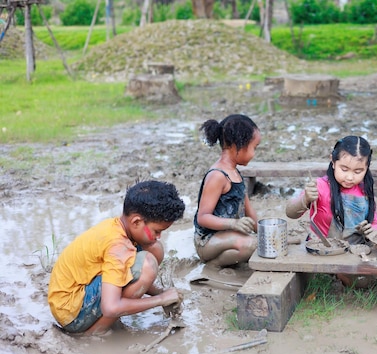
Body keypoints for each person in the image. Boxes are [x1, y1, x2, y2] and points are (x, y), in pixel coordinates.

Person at [48, 180, 186, 335]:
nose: (159, 236)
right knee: (147, 265)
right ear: (136, 221)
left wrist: (161, 293)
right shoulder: (118, 246)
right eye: (156, 231)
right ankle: (94, 332)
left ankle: (112, 313)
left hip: (77, 295)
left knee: (155, 249)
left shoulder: (118, 227)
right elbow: (110, 307)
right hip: (71, 312)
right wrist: (160, 300)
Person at [285, 135, 377, 287]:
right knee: (357, 282)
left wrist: (372, 231)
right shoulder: (321, 186)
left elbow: (375, 223)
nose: (349, 177)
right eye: (344, 169)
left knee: (372, 278)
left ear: (367, 168)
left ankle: (340, 273)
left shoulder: (364, 190)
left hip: (355, 249)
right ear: (333, 161)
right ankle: (334, 273)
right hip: (324, 249)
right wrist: (306, 200)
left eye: (358, 171)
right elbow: (290, 213)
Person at [193, 114, 260, 267]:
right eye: (254, 147)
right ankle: (213, 265)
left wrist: (267, 234)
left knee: (260, 243)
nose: (254, 153)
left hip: (227, 235)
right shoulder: (217, 176)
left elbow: (249, 211)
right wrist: (233, 224)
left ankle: (232, 254)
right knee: (252, 245)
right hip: (208, 241)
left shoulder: (236, 173)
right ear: (239, 145)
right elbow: (202, 217)